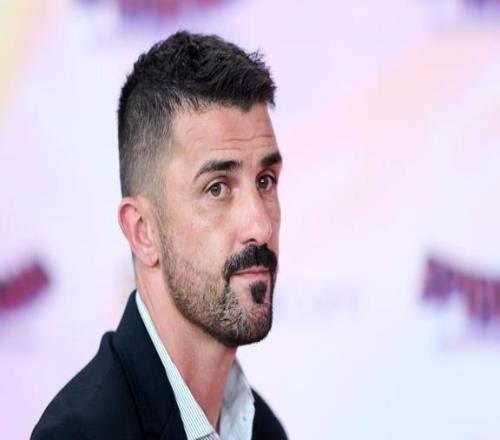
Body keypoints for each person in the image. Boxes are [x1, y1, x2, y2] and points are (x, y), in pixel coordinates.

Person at [31, 30, 287, 439]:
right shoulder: (82, 433)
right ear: (142, 231)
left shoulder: (264, 430)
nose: (261, 226)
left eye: (265, 181)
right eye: (217, 188)